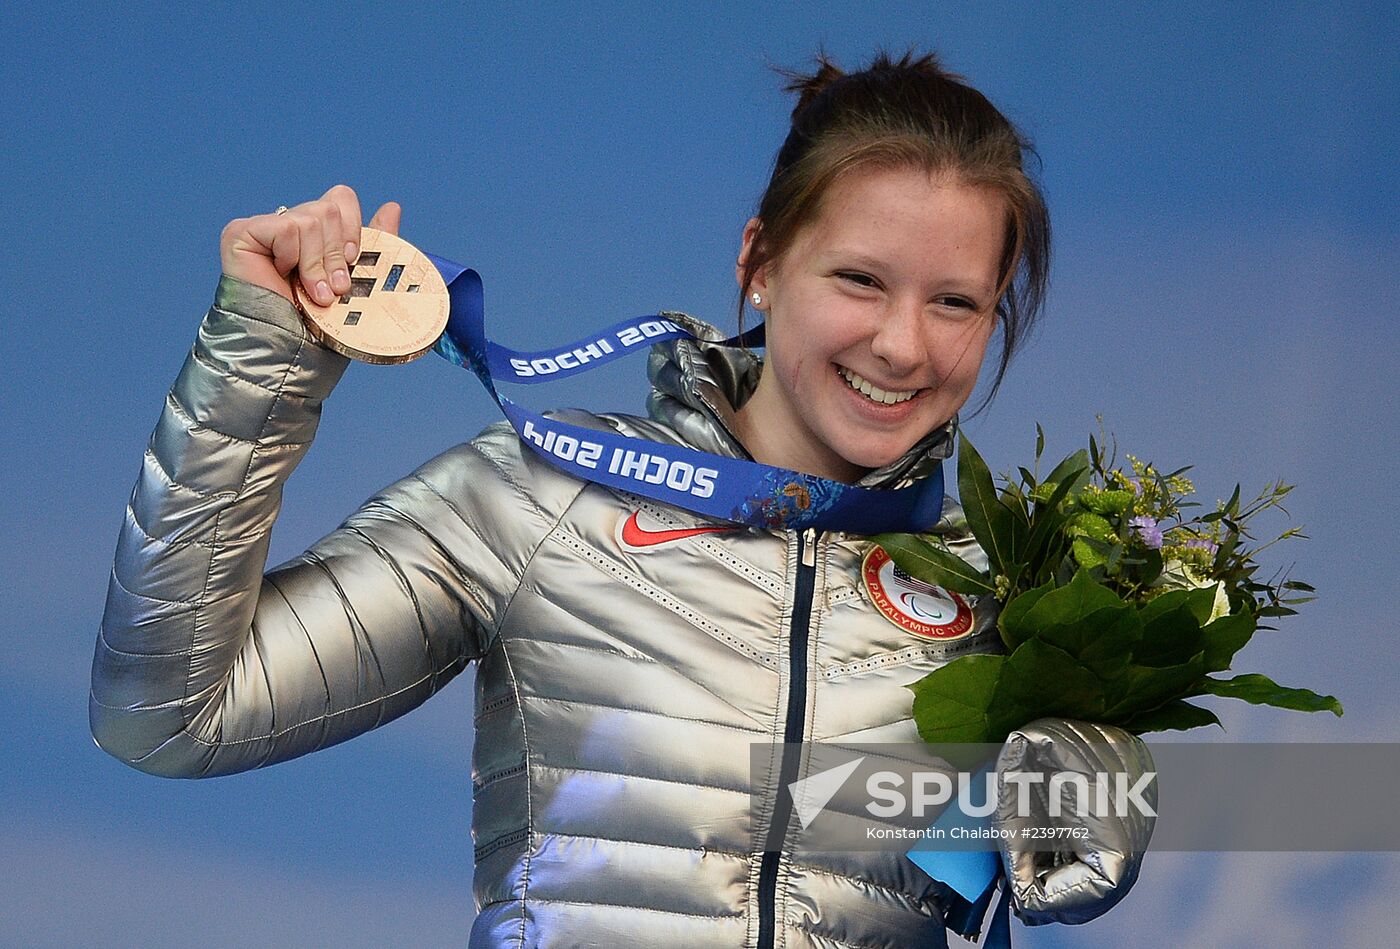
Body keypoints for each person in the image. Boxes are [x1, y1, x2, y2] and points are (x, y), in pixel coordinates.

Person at [92, 50, 1153, 947]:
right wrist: (260, 356)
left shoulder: (1008, 590)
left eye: (955, 302)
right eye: (860, 280)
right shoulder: (541, 498)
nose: (902, 344)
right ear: (760, 263)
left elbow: (1037, 863)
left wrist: (1097, 786)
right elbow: (168, 717)